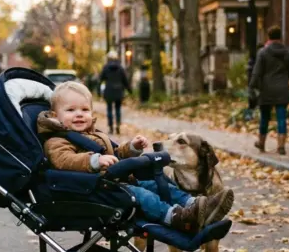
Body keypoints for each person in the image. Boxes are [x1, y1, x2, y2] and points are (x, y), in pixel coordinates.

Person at [38, 81, 233, 232]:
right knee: (143, 195)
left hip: (114, 183)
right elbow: (63, 161)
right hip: (92, 191)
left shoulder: (92, 134)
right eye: (71, 110)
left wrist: (131, 148)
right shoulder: (56, 140)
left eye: (84, 110)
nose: (79, 115)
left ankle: (196, 205)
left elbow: (113, 154)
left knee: (158, 184)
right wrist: (93, 161)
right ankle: (176, 217)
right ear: (55, 115)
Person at [250, 26, 289, 155]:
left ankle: (261, 143)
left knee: (265, 117)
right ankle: (281, 145)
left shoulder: (263, 52)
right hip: (282, 87)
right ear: (280, 37)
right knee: (281, 117)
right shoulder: (286, 52)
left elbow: (257, 71)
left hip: (266, 88)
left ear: (268, 37)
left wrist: (252, 86)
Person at [99, 51, 130, 134]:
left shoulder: (105, 67)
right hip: (119, 91)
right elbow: (125, 81)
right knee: (118, 109)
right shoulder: (120, 67)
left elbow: (101, 79)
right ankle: (118, 125)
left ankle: (110, 127)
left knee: (109, 109)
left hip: (109, 91)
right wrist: (129, 90)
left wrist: (99, 92)